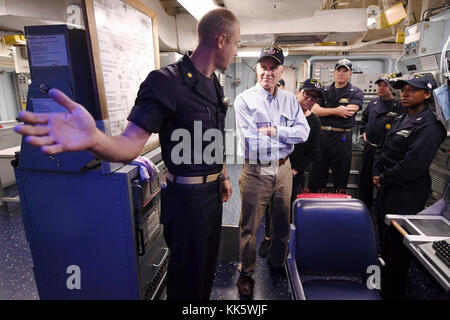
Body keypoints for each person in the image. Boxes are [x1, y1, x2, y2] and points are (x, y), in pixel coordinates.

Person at [14, 8, 239, 300]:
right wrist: (95, 139)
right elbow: (129, 145)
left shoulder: (212, 84)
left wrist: (222, 175)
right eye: (236, 44)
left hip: (212, 197)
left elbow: (214, 138)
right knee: (187, 284)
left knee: (206, 276)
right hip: (187, 205)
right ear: (221, 40)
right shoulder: (165, 81)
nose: (236, 52)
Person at [234, 45, 310, 298]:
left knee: (281, 224)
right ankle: (246, 271)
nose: (268, 72)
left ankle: (277, 263)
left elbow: (303, 133)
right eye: (263, 67)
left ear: (281, 71)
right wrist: (287, 139)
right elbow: (250, 142)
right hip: (256, 170)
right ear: (257, 69)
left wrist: (275, 132)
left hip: (283, 169)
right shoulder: (244, 99)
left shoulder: (290, 99)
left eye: (273, 67)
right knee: (250, 226)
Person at [372, 73, 446, 300]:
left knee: (397, 246)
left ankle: (393, 291)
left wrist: (384, 178)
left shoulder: (430, 126)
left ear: (427, 94)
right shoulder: (402, 117)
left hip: (406, 193)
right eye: (403, 89)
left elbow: (413, 165)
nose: (405, 93)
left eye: (412, 89)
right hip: (387, 187)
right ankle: (382, 281)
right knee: (384, 238)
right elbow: (382, 148)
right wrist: (376, 173)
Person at [311, 58, 364, 193]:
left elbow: (349, 111)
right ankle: (316, 200)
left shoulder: (356, 92)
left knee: (341, 173)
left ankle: (339, 200)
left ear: (350, 73)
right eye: (338, 70)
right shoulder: (324, 90)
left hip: (342, 137)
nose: (341, 73)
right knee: (318, 171)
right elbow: (315, 110)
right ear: (334, 72)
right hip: (322, 135)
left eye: (345, 71)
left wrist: (326, 111)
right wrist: (337, 110)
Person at [358, 74, 404, 212]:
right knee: (364, 183)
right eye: (379, 85)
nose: (381, 88)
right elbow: (364, 119)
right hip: (369, 149)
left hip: (386, 153)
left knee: (382, 185)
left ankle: (378, 216)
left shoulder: (399, 106)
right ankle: (363, 212)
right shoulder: (374, 103)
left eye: (385, 85)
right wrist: (363, 131)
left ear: (392, 88)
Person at [290, 79, 323, 200]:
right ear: (299, 92)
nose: (309, 99)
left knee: (287, 206)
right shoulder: (284, 114)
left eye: (314, 97)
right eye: (307, 94)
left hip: (295, 172)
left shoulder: (315, 122)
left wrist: (296, 169)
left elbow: (314, 151)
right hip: (275, 166)